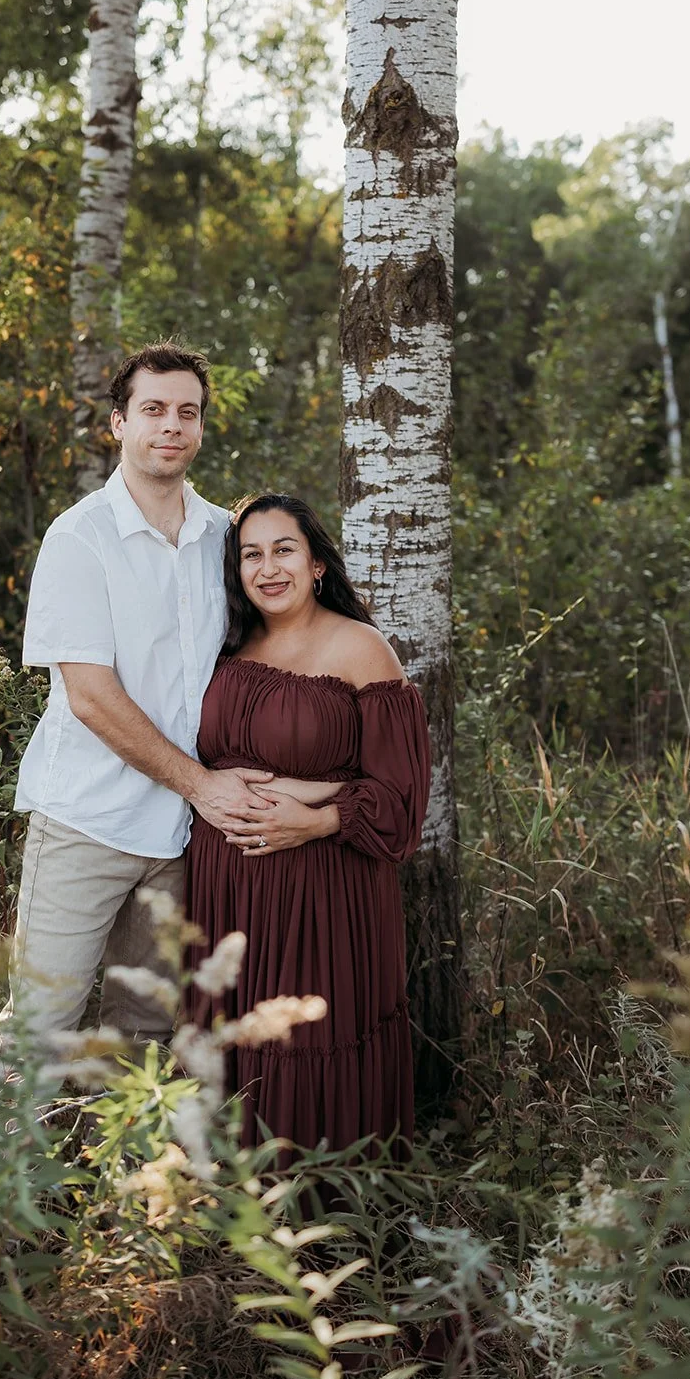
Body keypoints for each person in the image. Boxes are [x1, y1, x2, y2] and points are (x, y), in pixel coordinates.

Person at [0, 342, 281, 1128]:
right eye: (152, 409)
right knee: (40, 1031)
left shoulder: (226, 538)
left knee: (145, 1031)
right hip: (87, 821)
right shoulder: (79, 539)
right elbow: (89, 696)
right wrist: (202, 785)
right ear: (119, 422)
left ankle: (120, 1216)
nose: (170, 426)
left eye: (187, 412)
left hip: (182, 838)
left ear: (202, 428)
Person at [183, 493, 431, 1156]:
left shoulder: (359, 648)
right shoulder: (226, 645)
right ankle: (219, 1207)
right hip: (223, 888)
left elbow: (401, 802)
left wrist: (315, 819)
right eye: (250, 555)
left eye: (283, 550)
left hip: (322, 891)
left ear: (316, 562)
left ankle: (319, 1217)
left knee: (307, 1039)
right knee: (228, 1035)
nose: (267, 567)